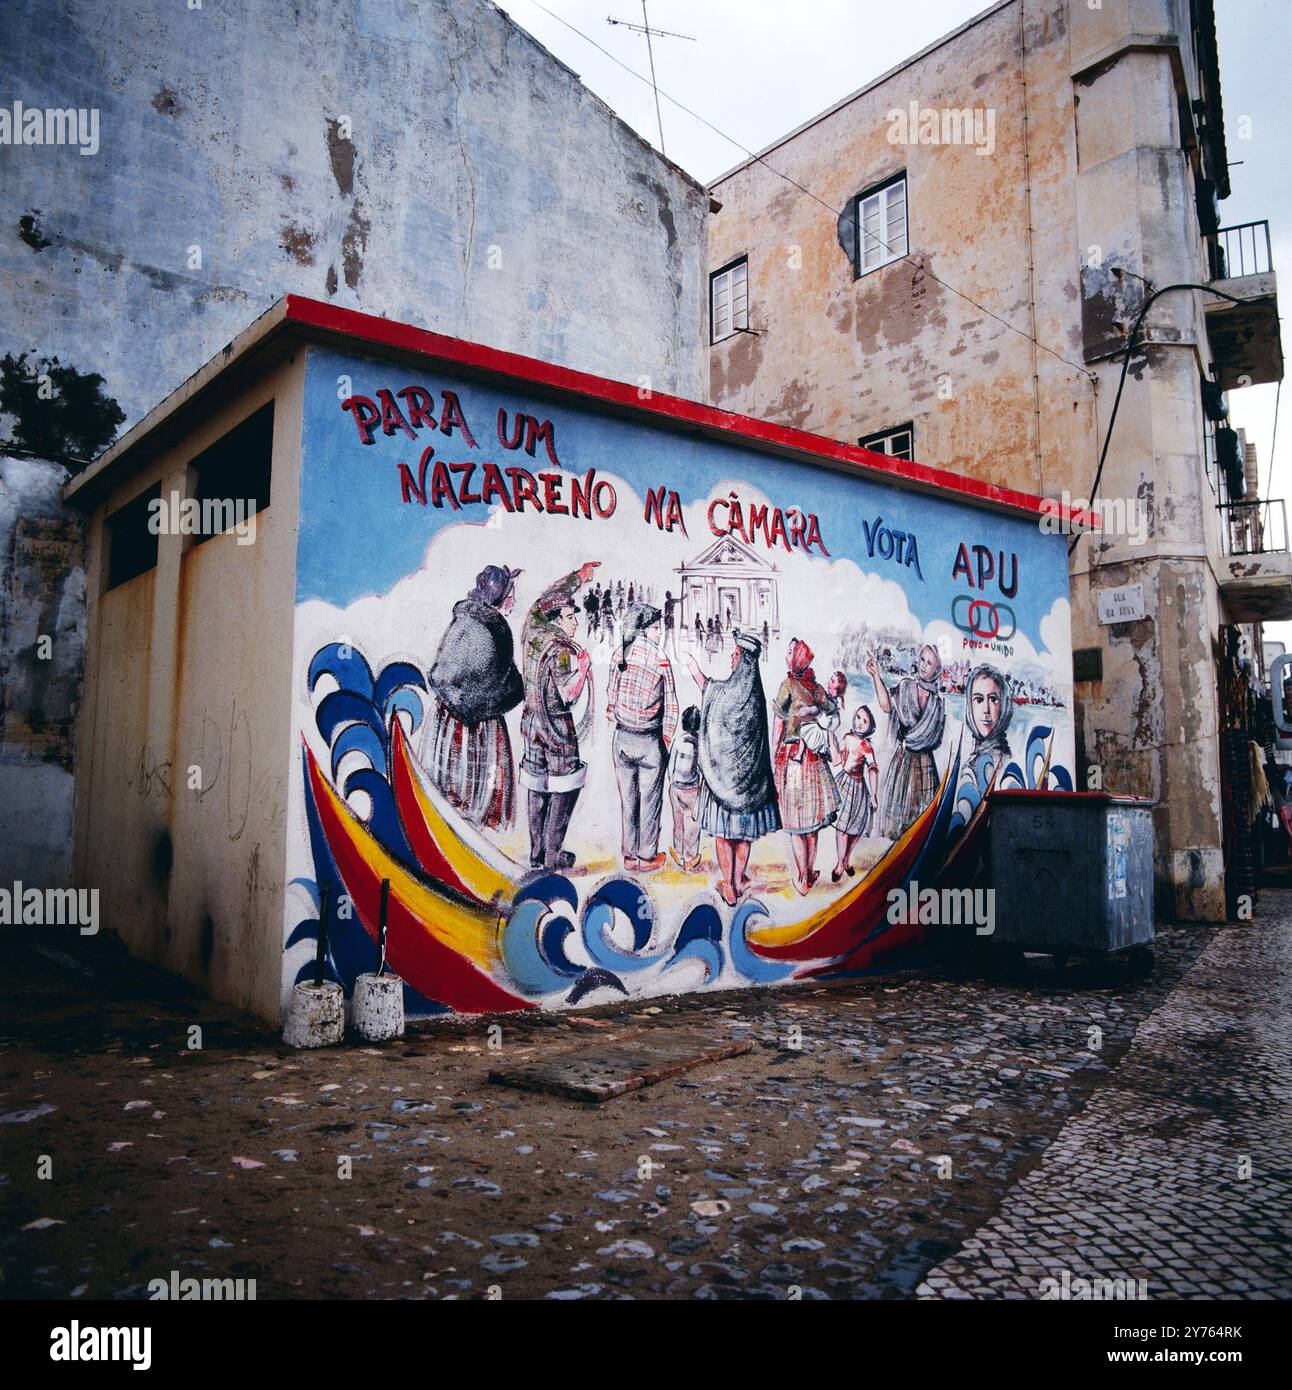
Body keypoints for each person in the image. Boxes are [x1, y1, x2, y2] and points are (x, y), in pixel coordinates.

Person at [425, 564, 524, 830]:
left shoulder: (462, 622)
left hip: (449, 716)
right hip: (478, 724)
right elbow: (504, 681)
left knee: (451, 780)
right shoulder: (495, 631)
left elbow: (442, 674)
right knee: (473, 786)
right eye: (511, 595)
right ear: (500, 597)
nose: (514, 601)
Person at [687, 630, 780, 906]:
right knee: (743, 835)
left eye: (735, 654)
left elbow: (708, 687)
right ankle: (738, 879)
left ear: (743, 660)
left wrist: (695, 670)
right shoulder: (756, 697)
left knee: (723, 834)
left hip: (721, 784)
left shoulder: (725, 692)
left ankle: (729, 885)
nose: (731, 657)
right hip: (750, 787)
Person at [518, 563, 598, 869]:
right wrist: (585, 668)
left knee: (537, 782)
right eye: (569, 616)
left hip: (530, 721)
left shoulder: (532, 628)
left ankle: (537, 853)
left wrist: (578, 577)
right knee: (564, 786)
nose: (575, 622)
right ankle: (553, 854)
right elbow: (569, 694)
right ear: (556, 619)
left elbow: (543, 600)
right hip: (556, 725)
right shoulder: (561, 648)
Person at [607, 604, 678, 871]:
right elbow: (671, 705)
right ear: (646, 630)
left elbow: (610, 694)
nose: (660, 632)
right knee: (649, 800)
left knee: (628, 799)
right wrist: (667, 740)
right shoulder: (660, 659)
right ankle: (647, 857)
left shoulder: (620, 654)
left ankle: (629, 855)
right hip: (649, 739)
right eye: (657, 627)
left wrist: (616, 712)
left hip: (622, 737)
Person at [772, 638, 841, 895]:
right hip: (813, 760)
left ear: (799, 657)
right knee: (810, 824)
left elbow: (779, 724)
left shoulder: (789, 685)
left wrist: (773, 753)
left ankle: (802, 877)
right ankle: (808, 872)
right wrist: (817, 719)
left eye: (790, 652)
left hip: (793, 758)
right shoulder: (817, 687)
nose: (787, 656)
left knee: (797, 823)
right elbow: (833, 712)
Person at [868, 642, 946, 839]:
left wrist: (919, 740)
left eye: (929, 663)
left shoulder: (938, 704)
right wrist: (876, 676)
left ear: (936, 670)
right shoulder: (905, 686)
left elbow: (936, 739)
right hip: (903, 761)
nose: (923, 665)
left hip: (925, 766)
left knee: (921, 822)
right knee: (897, 820)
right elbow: (886, 706)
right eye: (922, 659)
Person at [831, 704, 879, 881]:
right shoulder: (847, 738)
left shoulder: (867, 747)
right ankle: (839, 863)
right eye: (858, 717)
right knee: (842, 826)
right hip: (844, 783)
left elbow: (873, 768)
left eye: (865, 721)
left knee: (856, 828)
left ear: (870, 727)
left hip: (859, 788)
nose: (860, 722)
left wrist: (874, 794)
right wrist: (830, 739)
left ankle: (846, 860)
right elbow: (837, 758)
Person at [962, 662, 1014, 796]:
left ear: (1003, 705)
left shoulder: (1003, 763)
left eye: (993, 699)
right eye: (979, 700)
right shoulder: (975, 758)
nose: (986, 710)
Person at [668, 705, 703, 870]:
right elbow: (702, 768)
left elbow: (671, 764)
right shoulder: (700, 744)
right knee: (692, 823)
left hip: (675, 786)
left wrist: (672, 781)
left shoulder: (678, 741)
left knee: (678, 821)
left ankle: (678, 852)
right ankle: (689, 857)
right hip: (692, 789)